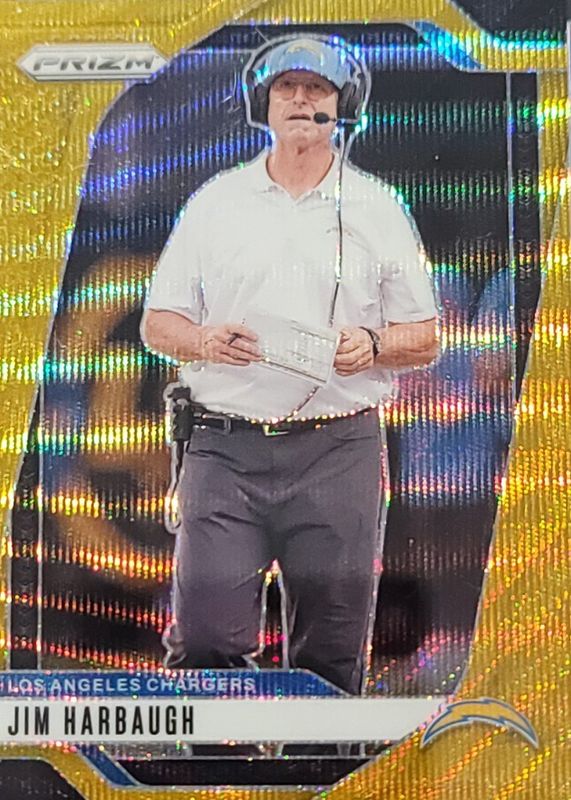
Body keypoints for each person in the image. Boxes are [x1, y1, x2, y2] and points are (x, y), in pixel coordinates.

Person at [141, 34, 438, 695]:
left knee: (331, 648)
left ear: (342, 107)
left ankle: (318, 757)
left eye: (317, 89)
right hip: (223, 449)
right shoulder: (217, 202)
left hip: (338, 450)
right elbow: (158, 322)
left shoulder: (377, 208)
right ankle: (220, 758)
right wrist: (203, 340)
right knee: (207, 639)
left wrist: (374, 344)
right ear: (264, 105)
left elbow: (424, 336)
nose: (301, 100)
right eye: (287, 89)